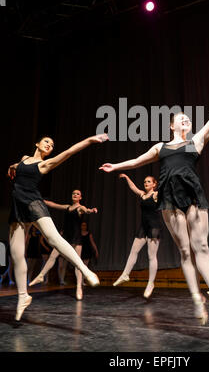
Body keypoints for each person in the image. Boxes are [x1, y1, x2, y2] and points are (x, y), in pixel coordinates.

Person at [100, 78, 209, 324]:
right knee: (184, 250)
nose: (186, 121)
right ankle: (196, 298)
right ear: (172, 126)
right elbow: (137, 161)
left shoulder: (196, 141)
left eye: (188, 119)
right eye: (181, 119)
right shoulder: (160, 146)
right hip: (169, 199)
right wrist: (115, 165)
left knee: (201, 246)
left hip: (192, 196)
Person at [7, 133, 108, 321]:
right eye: (47, 142)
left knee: (54, 239)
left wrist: (89, 140)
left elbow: (69, 152)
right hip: (17, 206)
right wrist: (13, 166)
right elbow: (18, 166)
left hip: (33, 203)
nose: (50, 146)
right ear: (37, 143)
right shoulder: (24, 159)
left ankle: (86, 271)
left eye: (52, 145)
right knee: (16, 253)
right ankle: (23, 296)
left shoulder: (45, 164)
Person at [29, 189, 98, 300]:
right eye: (73, 193)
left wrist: (91, 210)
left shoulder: (80, 208)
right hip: (65, 237)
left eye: (77, 194)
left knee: (78, 264)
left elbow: (86, 210)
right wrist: (42, 201)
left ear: (80, 197)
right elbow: (54, 205)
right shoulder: (67, 207)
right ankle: (41, 276)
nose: (75, 195)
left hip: (76, 239)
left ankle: (79, 288)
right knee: (52, 256)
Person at [113, 174, 162, 299]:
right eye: (145, 181)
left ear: (154, 184)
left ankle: (151, 283)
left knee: (151, 256)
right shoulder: (142, 194)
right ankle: (125, 274)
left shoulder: (156, 195)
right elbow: (133, 187)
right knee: (133, 251)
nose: (146, 183)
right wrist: (126, 177)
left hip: (154, 227)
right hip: (143, 227)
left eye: (149, 181)